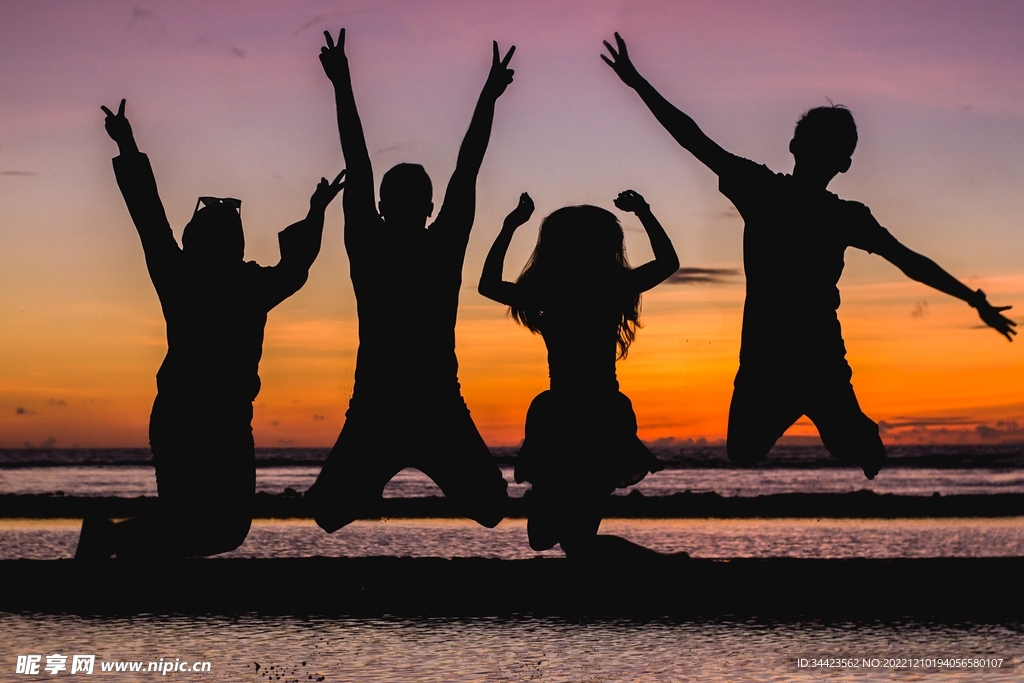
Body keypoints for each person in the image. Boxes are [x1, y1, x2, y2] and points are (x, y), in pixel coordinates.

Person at [601, 33, 1016, 479]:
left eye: (830, 148)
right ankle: (836, 419)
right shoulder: (763, 190)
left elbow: (909, 261)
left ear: (836, 162)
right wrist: (638, 83)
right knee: (742, 451)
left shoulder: (836, 213)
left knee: (840, 446)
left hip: (818, 357)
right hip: (765, 359)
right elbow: (693, 139)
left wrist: (973, 298)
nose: (820, 153)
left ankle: (852, 427)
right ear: (802, 150)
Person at [75, 99, 344, 559]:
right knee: (213, 529)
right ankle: (113, 545)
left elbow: (149, 217)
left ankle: (112, 541)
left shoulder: (187, 275)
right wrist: (316, 212)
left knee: (213, 528)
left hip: (205, 419)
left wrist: (128, 144)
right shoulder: (238, 282)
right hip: (199, 419)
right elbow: (295, 267)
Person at [305, 30, 514, 531]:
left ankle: (374, 480)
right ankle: (372, 480)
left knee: (491, 507)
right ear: (426, 206)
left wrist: (342, 82)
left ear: (425, 206)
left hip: (429, 403)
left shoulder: (397, 243)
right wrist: (487, 97)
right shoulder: (410, 244)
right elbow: (464, 165)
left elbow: (460, 166)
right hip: (387, 404)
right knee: (328, 513)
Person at [478, 190, 679, 558]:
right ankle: (660, 568)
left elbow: (488, 285)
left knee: (568, 541)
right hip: (594, 414)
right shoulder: (606, 288)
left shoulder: (556, 292)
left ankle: (661, 568)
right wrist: (644, 212)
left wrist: (509, 227)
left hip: (575, 415)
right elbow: (667, 262)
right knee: (556, 539)